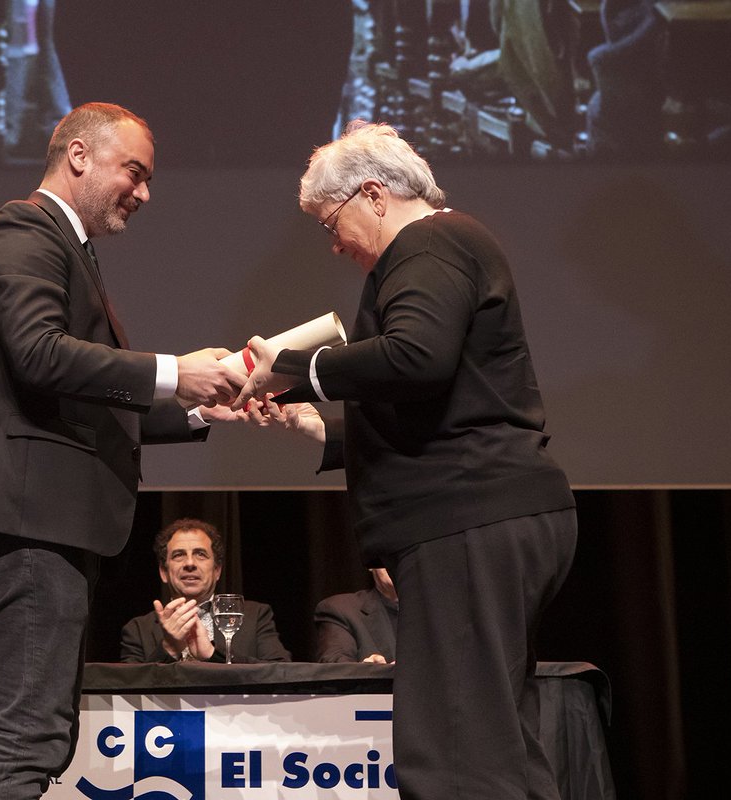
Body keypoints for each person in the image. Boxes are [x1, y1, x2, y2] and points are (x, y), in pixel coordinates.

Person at [235, 120, 577, 799]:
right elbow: (438, 395)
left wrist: (296, 366)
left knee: (454, 755)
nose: (334, 244)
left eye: (332, 222)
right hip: (481, 519)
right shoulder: (442, 248)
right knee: (491, 744)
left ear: (373, 194)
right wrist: (319, 426)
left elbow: (418, 357)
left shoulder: (430, 242)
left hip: (467, 521)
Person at [0, 102, 246, 800]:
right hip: (26, 525)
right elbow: (40, 357)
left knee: (39, 736)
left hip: (45, 527)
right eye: (133, 172)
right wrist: (174, 369)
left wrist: (201, 407)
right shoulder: (24, 228)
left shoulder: (70, 248)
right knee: (27, 741)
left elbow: (84, 402)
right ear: (79, 155)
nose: (143, 193)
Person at [119, 518, 291, 663]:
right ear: (163, 572)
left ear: (217, 570)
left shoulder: (255, 617)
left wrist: (212, 654)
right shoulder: (138, 629)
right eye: (178, 555)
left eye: (200, 554)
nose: (190, 564)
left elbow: (281, 673)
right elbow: (127, 693)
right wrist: (169, 649)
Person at [314, 567, 398, 663]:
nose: (395, 562)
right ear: (371, 565)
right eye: (388, 554)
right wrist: (366, 673)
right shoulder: (341, 610)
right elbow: (337, 667)